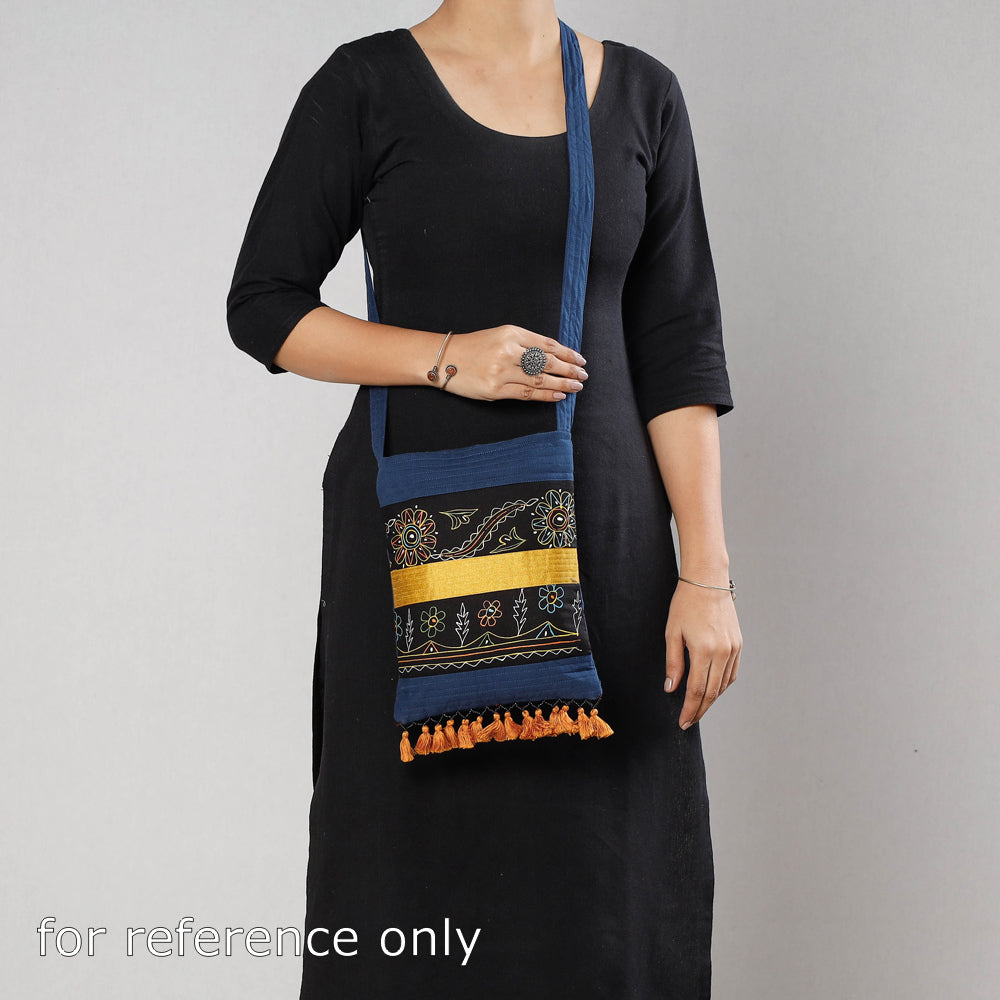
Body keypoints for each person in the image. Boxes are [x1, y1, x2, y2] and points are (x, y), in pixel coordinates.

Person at [226, 2, 742, 997]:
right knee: (408, 876)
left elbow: (679, 346)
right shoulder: (365, 86)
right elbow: (264, 303)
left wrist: (708, 574)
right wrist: (446, 357)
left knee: (609, 892)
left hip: (607, 562)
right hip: (412, 563)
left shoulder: (644, 96)